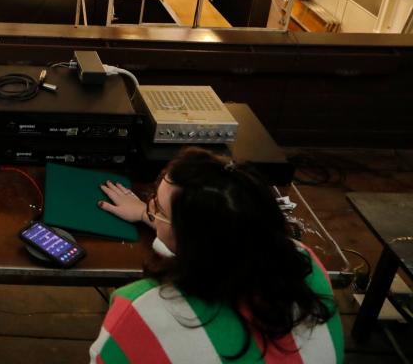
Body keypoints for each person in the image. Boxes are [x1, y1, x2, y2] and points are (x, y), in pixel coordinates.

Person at [89, 148, 343, 363]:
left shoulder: (140, 309)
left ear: (191, 239)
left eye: (158, 208)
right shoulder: (306, 263)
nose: (150, 206)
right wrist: (152, 217)